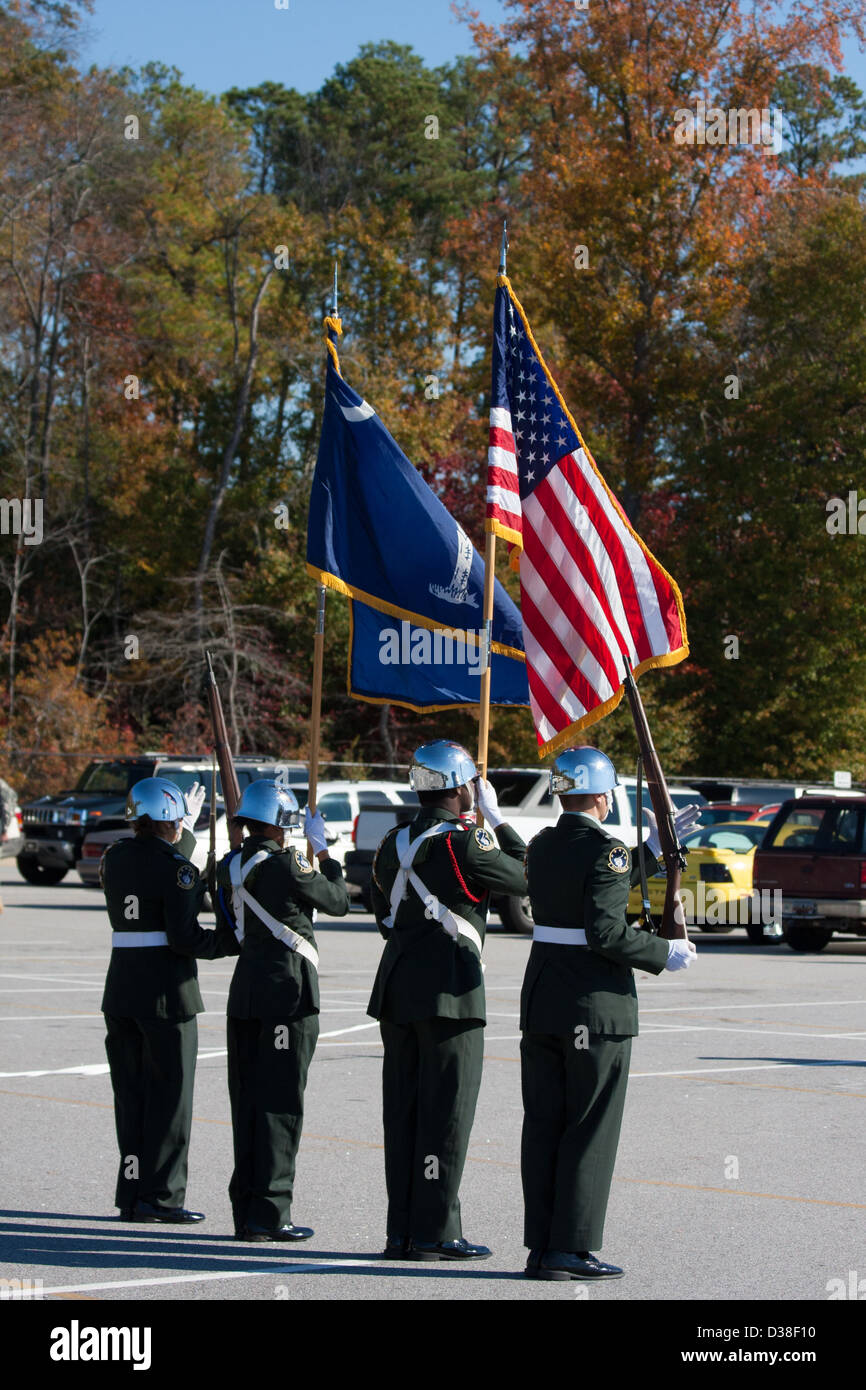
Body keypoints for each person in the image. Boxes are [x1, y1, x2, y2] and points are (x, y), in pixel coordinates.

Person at [520, 746, 701, 1281]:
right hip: (595, 1008)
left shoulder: (542, 844)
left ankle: (542, 1245)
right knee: (588, 1126)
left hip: (545, 1002)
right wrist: (663, 953)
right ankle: (569, 1250)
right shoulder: (608, 851)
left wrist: (650, 849)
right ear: (602, 795)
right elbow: (603, 930)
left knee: (546, 1125)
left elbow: (584, 886)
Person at [368, 739, 528, 1261]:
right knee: (446, 1115)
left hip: (396, 989)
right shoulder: (468, 842)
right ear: (462, 788)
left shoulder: (392, 842)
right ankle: (436, 1231)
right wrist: (500, 824)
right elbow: (530, 878)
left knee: (404, 1114)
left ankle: (402, 1231)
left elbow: (383, 916)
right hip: (450, 992)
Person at [215, 781, 349, 1242]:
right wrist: (324, 851)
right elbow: (339, 901)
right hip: (286, 998)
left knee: (247, 1106)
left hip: (245, 996)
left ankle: (246, 1210)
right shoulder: (289, 865)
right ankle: (271, 1214)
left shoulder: (228, 866)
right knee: (280, 1106)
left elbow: (229, 929)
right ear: (278, 824)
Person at [100, 776, 238, 1223]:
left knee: (131, 1099)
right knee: (170, 1102)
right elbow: (185, 937)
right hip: (166, 993)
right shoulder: (178, 868)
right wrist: (230, 942)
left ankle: (132, 1193)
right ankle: (161, 1197)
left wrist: (188, 844)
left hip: (121, 989)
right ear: (170, 820)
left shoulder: (114, 857)